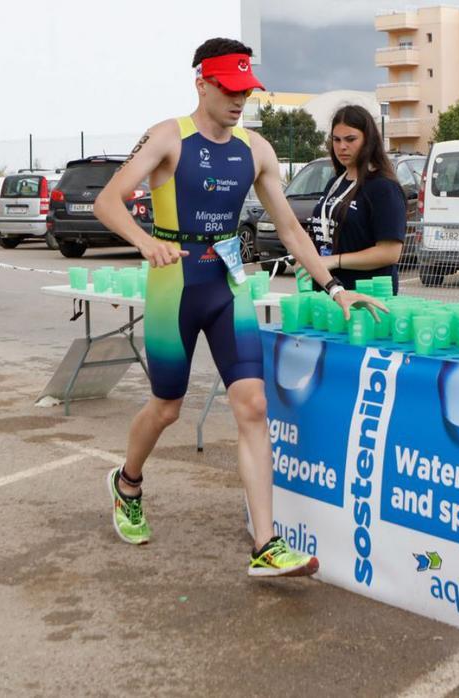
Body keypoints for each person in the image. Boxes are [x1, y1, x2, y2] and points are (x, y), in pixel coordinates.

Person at [94, 37, 384, 577]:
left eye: (246, 90)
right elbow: (107, 201)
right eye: (229, 89)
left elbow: (292, 230)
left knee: (252, 406)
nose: (238, 100)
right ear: (201, 83)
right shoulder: (166, 137)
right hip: (172, 283)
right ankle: (127, 480)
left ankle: (265, 544)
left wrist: (336, 288)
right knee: (167, 407)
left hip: (229, 283)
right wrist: (144, 241)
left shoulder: (256, 148)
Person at [307, 105, 406, 294]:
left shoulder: (383, 187)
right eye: (336, 140)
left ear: (368, 140)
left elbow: (390, 253)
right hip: (329, 292)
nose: (342, 146)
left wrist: (334, 260)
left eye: (350, 139)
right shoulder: (334, 183)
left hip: (367, 296)